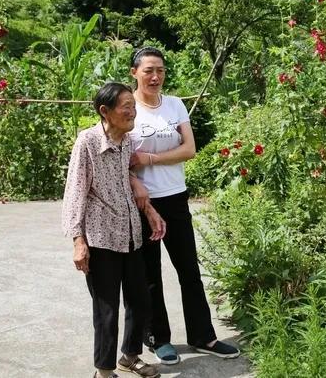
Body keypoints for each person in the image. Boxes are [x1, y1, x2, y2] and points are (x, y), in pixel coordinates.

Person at [129, 47, 240, 365]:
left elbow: (189, 149)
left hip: (175, 196)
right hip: (141, 201)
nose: (155, 76)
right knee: (150, 274)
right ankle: (158, 339)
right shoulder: (128, 107)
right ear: (134, 72)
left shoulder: (175, 105)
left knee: (189, 270)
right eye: (149, 70)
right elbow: (121, 155)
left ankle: (203, 335)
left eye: (160, 70)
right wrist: (136, 178)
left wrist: (149, 158)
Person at [62, 82, 167, 378]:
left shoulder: (127, 141)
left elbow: (128, 175)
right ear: (105, 112)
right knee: (106, 311)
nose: (133, 112)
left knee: (140, 300)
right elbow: (75, 192)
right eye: (126, 107)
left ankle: (130, 356)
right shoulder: (88, 142)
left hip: (131, 234)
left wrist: (148, 209)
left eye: (133, 106)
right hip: (101, 238)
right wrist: (78, 240)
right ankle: (104, 372)